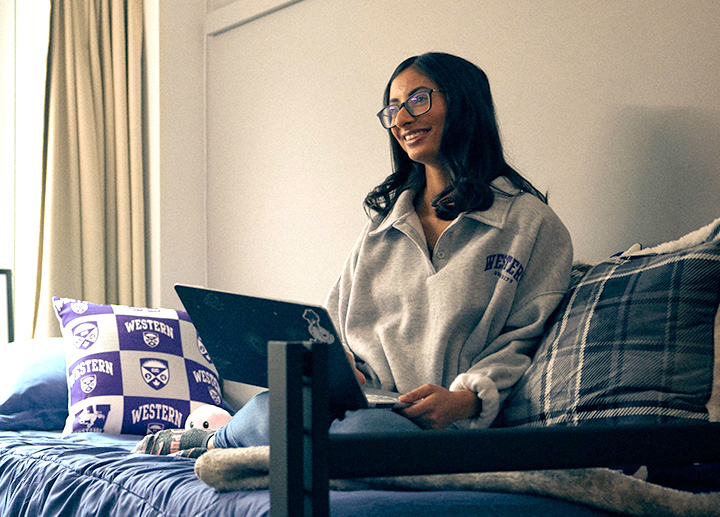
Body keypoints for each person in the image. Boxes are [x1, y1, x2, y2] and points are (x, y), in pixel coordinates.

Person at [135, 52, 573, 457]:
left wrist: (468, 399)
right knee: (274, 409)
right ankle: (216, 438)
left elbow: (523, 338)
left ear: (465, 103)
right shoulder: (384, 225)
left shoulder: (530, 224)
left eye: (417, 100)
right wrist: (336, 362)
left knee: (358, 438)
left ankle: (246, 442)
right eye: (393, 108)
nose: (401, 118)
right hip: (360, 400)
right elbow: (333, 322)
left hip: (439, 419)